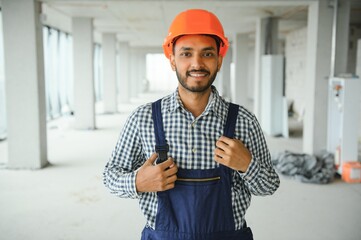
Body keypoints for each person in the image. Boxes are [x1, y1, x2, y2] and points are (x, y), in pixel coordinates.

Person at [103, 9, 280, 240]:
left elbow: (269, 186)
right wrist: (138, 181)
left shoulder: (243, 121)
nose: (197, 63)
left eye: (207, 54)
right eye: (186, 53)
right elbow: (110, 176)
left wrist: (247, 164)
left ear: (219, 60)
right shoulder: (144, 118)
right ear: (172, 60)